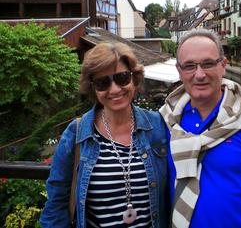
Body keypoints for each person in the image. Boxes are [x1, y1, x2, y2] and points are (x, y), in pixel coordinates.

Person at [160, 30, 241, 228]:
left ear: (223, 65)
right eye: (189, 66)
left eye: (208, 63)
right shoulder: (166, 120)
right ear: (179, 70)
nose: (199, 74)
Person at [40, 42, 169, 228]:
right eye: (103, 82)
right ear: (92, 87)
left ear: (134, 78)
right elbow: (56, 205)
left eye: (122, 78)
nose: (115, 89)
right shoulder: (77, 134)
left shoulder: (157, 125)